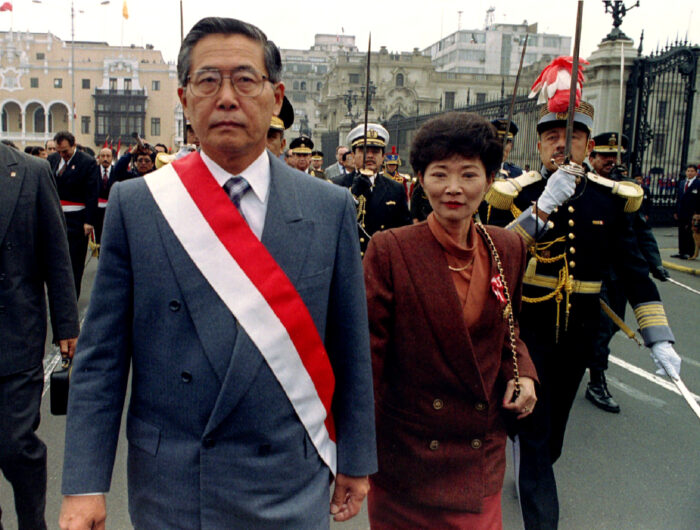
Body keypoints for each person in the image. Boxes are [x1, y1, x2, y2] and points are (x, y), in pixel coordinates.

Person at [59, 16, 376, 530]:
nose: (226, 96)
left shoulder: (329, 207)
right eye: (208, 81)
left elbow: (349, 345)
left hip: (289, 479)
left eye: (244, 80)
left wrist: (356, 459)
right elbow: (101, 361)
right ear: (184, 99)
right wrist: (84, 485)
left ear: (275, 97)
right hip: (175, 485)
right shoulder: (138, 205)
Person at [485, 83, 682, 527]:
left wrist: (658, 336)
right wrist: (544, 204)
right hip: (527, 328)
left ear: (587, 144)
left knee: (552, 439)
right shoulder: (515, 194)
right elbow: (496, 254)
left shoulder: (612, 199)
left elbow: (633, 271)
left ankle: (531, 456)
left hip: (581, 332)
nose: (561, 143)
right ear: (538, 143)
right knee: (536, 444)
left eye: (571, 135)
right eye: (552, 135)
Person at [364, 112, 538, 528]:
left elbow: (508, 330)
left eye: (469, 174)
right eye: (440, 174)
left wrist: (524, 374)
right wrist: (352, 453)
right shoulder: (391, 250)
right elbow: (367, 356)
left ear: (491, 178)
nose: (454, 189)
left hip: (479, 457)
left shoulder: (508, 247)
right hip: (408, 460)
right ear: (420, 178)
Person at [0, 143, 80, 530]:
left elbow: (55, 252)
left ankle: (33, 522)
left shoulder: (30, 172)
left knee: (15, 445)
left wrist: (66, 325)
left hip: (16, 333)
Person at [585, 133, 670, 413]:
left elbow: (641, 230)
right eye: (605, 156)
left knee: (610, 326)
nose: (611, 162)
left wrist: (654, 263)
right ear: (592, 157)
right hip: (590, 271)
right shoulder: (584, 186)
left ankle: (590, 368)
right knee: (598, 329)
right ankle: (596, 381)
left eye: (615, 156)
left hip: (619, 273)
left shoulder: (628, 190)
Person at [336, 123, 411, 255]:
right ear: (353, 155)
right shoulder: (338, 185)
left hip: (382, 259)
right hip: (350, 260)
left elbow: (404, 231)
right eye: (364, 150)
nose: (370, 155)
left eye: (375, 151)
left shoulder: (395, 188)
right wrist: (353, 194)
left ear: (383, 157)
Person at [47, 131, 99, 300]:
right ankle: (57, 296)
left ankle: (72, 297)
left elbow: (92, 193)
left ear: (73, 146)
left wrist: (89, 221)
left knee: (74, 263)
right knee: (56, 261)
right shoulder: (52, 160)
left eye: (66, 151)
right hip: (56, 218)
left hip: (77, 220)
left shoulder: (87, 162)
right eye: (59, 151)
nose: (62, 154)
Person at [672, 163, 699, 259]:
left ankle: (690, 252)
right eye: (688, 171)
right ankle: (681, 251)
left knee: (690, 232)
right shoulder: (682, 183)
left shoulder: (698, 184)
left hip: (692, 213)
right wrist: (675, 211)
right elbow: (678, 198)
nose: (690, 173)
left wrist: (697, 213)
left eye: (692, 171)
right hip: (681, 212)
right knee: (681, 231)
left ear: (696, 173)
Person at [94, 147, 115, 244]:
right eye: (103, 156)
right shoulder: (93, 172)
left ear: (112, 158)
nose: (105, 159)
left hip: (112, 210)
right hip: (97, 212)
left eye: (108, 156)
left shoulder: (117, 172)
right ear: (99, 157)